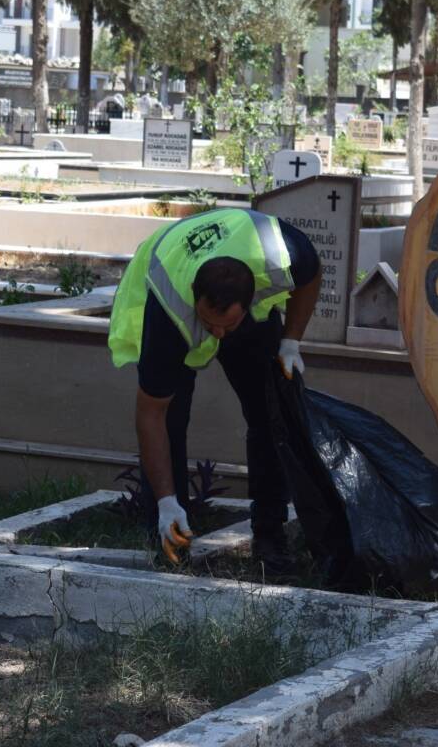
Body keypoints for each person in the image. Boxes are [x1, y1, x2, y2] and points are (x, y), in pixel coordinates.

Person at [108, 207, 321, 570]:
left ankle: (270, 533)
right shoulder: (170, 310)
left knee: (271, 411)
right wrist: (165, 502)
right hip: (166, 282)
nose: (217, 335)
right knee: (172, 420)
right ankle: (168, 530)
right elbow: (150, 413)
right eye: (209, 323)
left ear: (251, 298)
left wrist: (291, 342)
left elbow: (311, 274)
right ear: (196, 299)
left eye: (227, 325)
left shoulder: (281, 253)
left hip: (246, 303)